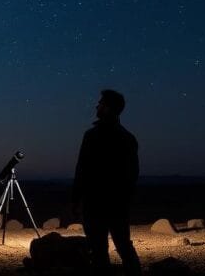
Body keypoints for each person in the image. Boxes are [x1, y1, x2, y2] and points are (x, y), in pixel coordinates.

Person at [72, 89, 141, 276]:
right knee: (124, 247)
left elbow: (82, 170)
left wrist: (76, 199)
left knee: (99, 252)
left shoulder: (92, 136)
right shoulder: (128, 138)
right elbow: (133, 174)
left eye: (101, 103)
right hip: (118, 205)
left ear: (109, 108)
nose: (97, 105)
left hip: (94, 204)